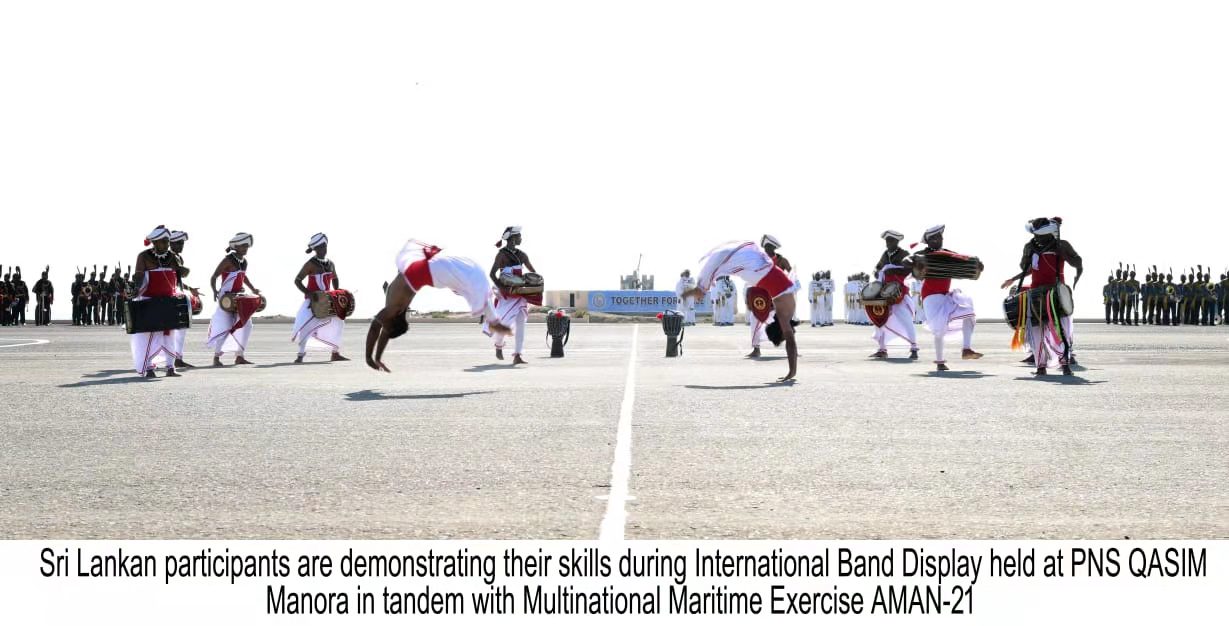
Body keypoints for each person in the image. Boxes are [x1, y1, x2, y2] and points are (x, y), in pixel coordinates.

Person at [366, 239, 512, 372]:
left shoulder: (394, 309)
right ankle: (493, 321)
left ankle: (493, 322)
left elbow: (375, 328)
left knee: (472, 282)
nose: (384, 327)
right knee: (471, 281)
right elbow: (383, 330)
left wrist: (369, 358)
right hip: (430, 270)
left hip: (431, 270)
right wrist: (376, 358)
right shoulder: (395, 310)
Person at [681, 239, 800, 381]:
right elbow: (791, 342)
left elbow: (789, 337)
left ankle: (697, 289)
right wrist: (792, 371)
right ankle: (695, 290)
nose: (788, 333)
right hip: (758, 271)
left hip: (759, 266)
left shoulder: (787, 305)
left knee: (723, 261)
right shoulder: (784, 315)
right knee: (720, 264)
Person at [1000, 217, 1083, 376]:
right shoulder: (1030, 246)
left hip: (1056, 293)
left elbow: (1078, 263)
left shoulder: (1062, 245)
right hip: (1036, 293)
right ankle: (1040, 366)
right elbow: (1026, 268)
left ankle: (1065, 364)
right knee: (1036, 330)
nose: (1037, 238)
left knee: (1060, 331)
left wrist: (1067, 257)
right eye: (1035, 235)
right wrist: (1015, 277)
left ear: (1049, 233)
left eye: (1040, 235)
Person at [914, 224, 982, 371]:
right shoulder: (922, 255)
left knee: (968, 312)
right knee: (939, 329)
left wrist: (976, 266)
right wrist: (910, 261)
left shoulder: (948, 254)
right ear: (928, 241)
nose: (938, 239)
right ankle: (940, 362)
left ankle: (966, 349)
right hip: (930, 296)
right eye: (934, 238)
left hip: (946, 295)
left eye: (939, 236)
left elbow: (965, 261)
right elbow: (909, 262)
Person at [129, 226, 184, 378]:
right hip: (149, 301)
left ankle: (170, 367)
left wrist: (183, 272)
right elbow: (139, 277)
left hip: (168, 302)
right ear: (154, 242)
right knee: (148, 335)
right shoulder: (143, 256)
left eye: (168, 241)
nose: (167, 244)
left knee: (169, 335)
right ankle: (149, 368)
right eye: (163, 241)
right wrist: (135, 290)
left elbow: (179, 277)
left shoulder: (172, 257)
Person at [206, 233, 262, 366]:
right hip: (226, 298)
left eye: (247, 246)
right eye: (243, 246)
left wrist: (253, 289)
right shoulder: (228, 260)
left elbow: (243, 277)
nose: (245, 248)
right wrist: (214, 291)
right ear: (236, 246)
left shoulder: (244, 262)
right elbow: (214, 277)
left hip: (239, 297)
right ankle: (216, 357)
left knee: (247, 324)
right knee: (224, 326)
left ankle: (239, 356)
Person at [292, 232, 348, 363]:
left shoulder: (330, 263)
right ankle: (300, 355)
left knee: (339, 322)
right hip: (313, 301)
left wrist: (337, 292)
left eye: (324, 247)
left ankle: (335, 353)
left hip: (328, 300)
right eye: (319, 248)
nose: (323, 249)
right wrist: (309, 293)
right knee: (305, 325)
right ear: (315, 249)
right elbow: (297, 280)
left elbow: (335, 278)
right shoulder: (310, 264)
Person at [489, 226, 538, 365]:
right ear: (512, 238)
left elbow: (533, 272)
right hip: (506, 294)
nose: (521, 238)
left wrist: (533, 282)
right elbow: (492, 274)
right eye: (519, 236)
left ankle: (517, 355)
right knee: (504, 323)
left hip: (519, 293)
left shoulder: (522, 255)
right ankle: (499, 345)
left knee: (521, 323)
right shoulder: (502, 254)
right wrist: (502, 288)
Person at [870, 230, 919, 359]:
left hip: (899, 292)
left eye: (891, 240)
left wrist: (893, 270)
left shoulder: (904, 254)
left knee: (906, 320)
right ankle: (882, 349)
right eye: (887, 241)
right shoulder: (885, 254)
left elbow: (910, 269)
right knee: (880, 320)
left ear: (897, 242)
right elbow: (877, 267)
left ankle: (914, 347)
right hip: (884, 292)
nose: (888, 243)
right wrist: (876, 271)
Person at [168, 231, 199, 368]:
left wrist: (189, 288)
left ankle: (177, 358)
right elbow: (178, 274)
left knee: (180, 329)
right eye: (179, 243)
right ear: (171, 243)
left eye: (182, 243)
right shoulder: (169, 257)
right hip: (169, 297)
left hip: (177, 295)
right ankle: (173, 359)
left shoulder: (178, 257)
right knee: (172, 330)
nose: (181, 246)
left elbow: (177, 279)